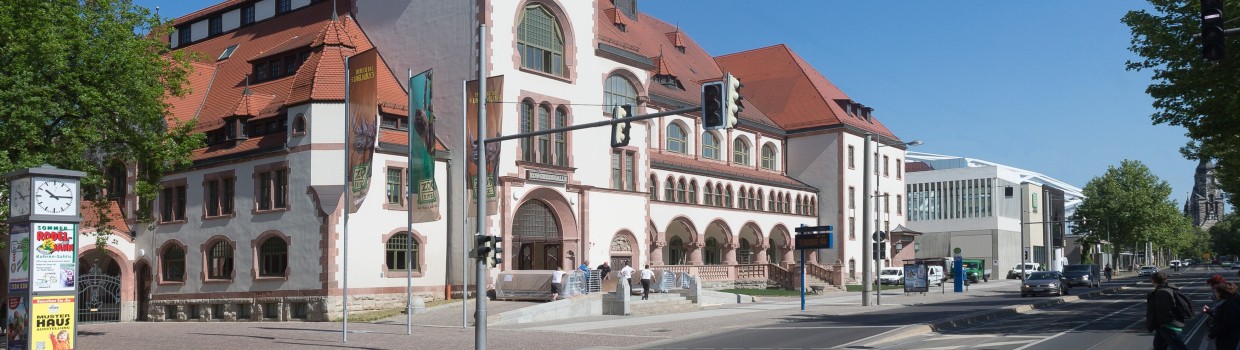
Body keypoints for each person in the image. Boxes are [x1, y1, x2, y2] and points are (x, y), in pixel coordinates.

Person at [1146, 271, 1189, 350]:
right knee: (1158, 346)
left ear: (1153, 281)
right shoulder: (1169, 289)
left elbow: (1161, 311)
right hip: (1165, 326)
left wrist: (1154, 323)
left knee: (1179, 347)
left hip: (1168, 326)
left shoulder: (1161, 292)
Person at [1205, 282, 1240, 350]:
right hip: (1231, 337)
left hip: (1228, 339)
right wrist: (1209, 311)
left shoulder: (1230, 306)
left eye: (1216, 292)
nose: (1215, 294)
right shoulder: (1233, 302)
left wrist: (1211, 335)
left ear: (1222, 293)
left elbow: (1226, 324)